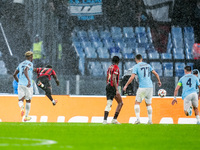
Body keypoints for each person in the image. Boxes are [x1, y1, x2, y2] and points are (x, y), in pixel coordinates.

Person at [123, 54, 161, 124]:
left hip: (142, 87)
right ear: (142, 59)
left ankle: (138, 120)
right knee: (148, 104)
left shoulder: (136, 66)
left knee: (137, 103)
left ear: (135, 59)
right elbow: (156, 74)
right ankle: (150, 120)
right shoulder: (148, 65)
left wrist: (126, 85)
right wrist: (159, 81)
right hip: (150, 86)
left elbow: (132, 78)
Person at [13, 51, 34, 122]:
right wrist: (28, 80)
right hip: (28, 85)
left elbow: (14, 74)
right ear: (31, 57)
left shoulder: (21, 64)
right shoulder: (30, 63)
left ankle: (21, 107)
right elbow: (26, 70)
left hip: (20, 84)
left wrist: (19, 82)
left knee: (20, 100)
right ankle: (26, 116)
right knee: (28, 100)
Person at [103, 56, 123, 124]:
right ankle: (114, 119)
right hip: (112, 87)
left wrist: (108, 84)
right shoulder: (116, 67)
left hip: (108, 85)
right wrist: (116, 89)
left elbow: (107, 76)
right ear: (118, 62)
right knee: (120, 103)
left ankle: (105, 120)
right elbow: (114, 78)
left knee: (109, 103)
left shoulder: (110, 67)